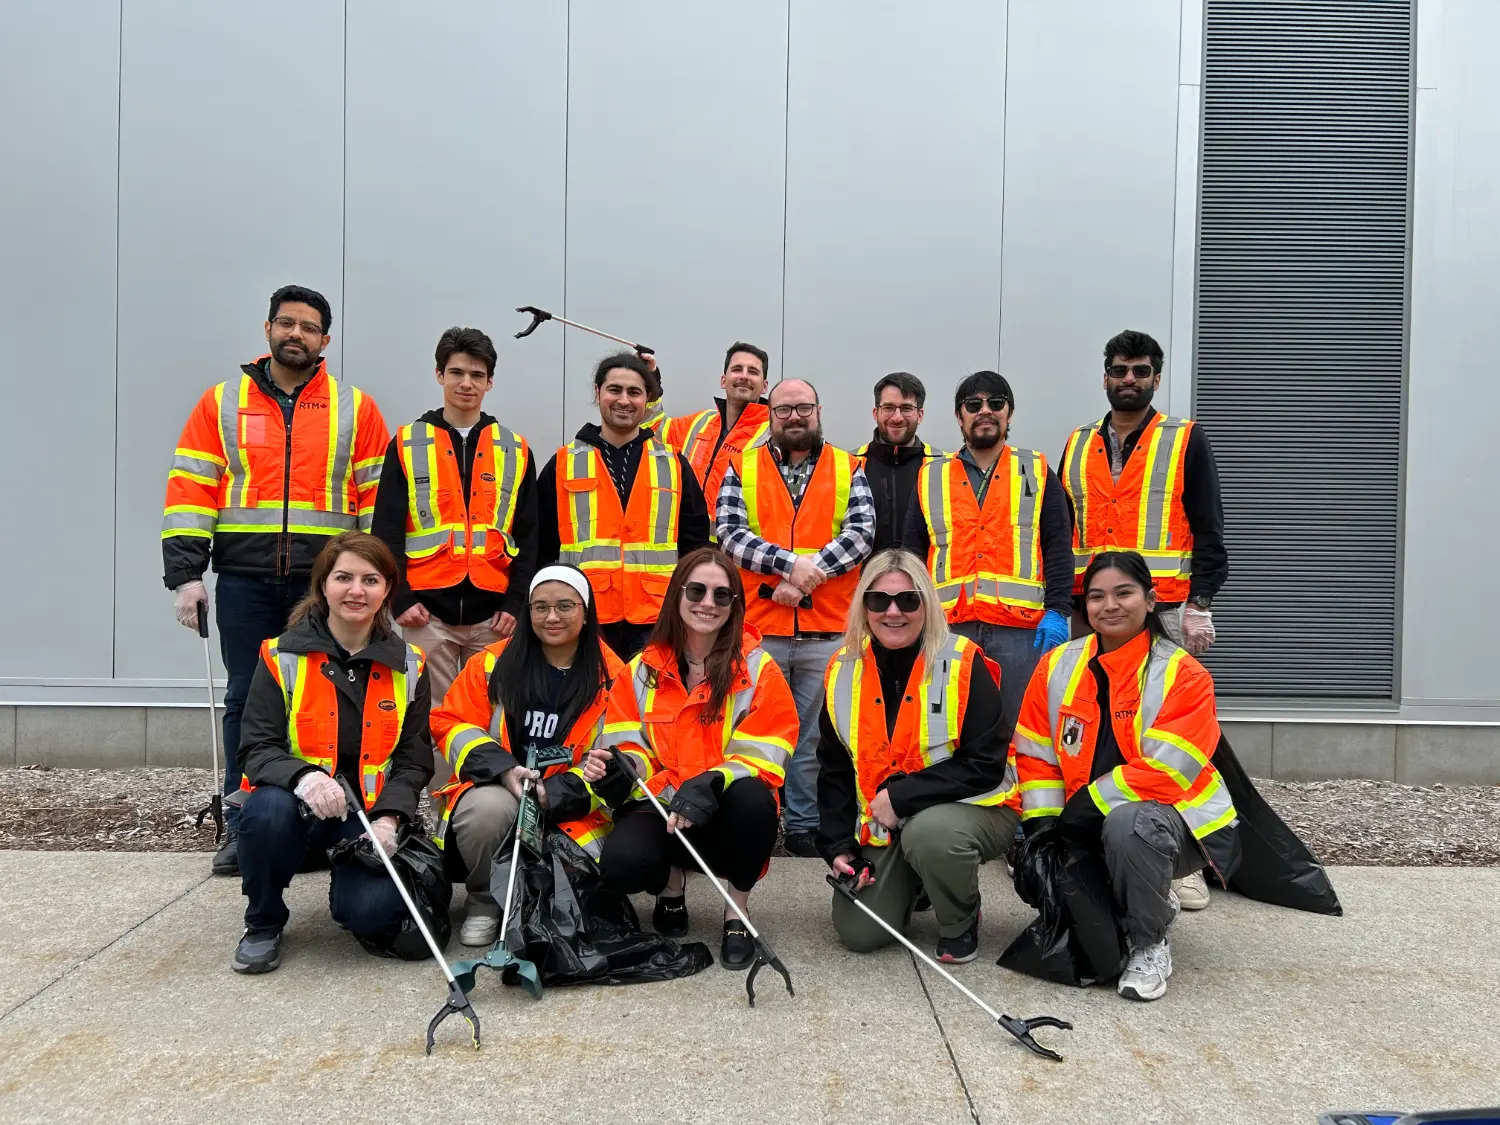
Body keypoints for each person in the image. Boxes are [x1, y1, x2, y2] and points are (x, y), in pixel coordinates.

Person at [162, 284, 390, 877]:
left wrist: (372, 581)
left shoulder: (354, 407)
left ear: (325, 341)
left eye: (308, 327)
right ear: (267, 330)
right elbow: (192, 489)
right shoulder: (222, 402)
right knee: (246, 697)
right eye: (286, 323)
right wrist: (186, 575)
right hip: (244, 579)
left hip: (327, 586)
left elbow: (374, 501)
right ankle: (246, 825)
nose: (296, 334)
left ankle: (343, 815)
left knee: (341, 695)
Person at [1011, 550, 1238, 1001]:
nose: (1109, 606)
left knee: (1127, 823)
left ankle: (1150, 943)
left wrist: (1089, 804)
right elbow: (1035, 754)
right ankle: (1142, 896)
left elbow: (1169, 772)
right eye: (1096, 596)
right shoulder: (1057, 665)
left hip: (1181, 828)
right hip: (1085, 821)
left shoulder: (1183, 675)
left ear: (1152, 600)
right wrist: (1043, 824)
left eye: (1124, 593)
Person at [1058, 329, 1229, 912]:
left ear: (1156, 376)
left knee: (1175, 739)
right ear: (1104, 376)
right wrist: (1064, 607)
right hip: (1093, 613)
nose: (1128, 379)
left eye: (1140, 370)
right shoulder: (1078, 443)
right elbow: (1062, 533)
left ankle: (1181, 858)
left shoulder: (1184, 438)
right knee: (1094, 727)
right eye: (1119, 370)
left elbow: (1209, 527)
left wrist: (1201, 603)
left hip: (1167, 610)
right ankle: (1087, 832)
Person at [230, 531, 433, 974]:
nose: (356, 591)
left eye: (370, 580)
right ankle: (263, 922)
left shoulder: (411, 664)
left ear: (386, 591)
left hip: (363, 819)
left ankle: (351, 884)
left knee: (373, 914)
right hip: (294, 811)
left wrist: (389, 820)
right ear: (323, 585)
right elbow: (257, 748)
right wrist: (306, 778)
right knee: (264, 812)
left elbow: (414, 760)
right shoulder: (279, 655)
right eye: (344, 577)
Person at [595, 547, 796, 970]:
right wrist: (622, 773)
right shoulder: (640, 670)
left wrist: (714, 780)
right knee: (622, 865)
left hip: (724, 805)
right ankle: (671, 886)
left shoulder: (758, 668)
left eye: (722, 595)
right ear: (676, 595)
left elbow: (769, 749)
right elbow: (627, 743)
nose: (708, 603)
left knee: (756, 803)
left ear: (734, 606)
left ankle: (735, 913)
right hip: (663, 802)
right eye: (697, 590)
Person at [817, 549, 1020, 964]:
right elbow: (834, 768)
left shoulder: (961, 661)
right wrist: (840, 847)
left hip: (974, 809)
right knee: (859, 933)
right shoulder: (843, 668)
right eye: (879, 600)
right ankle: (921, 882)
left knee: (931, 836)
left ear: (927, 604)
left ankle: (961, 920)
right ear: (864, 607)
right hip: (889, 821)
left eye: (909, 600)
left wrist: (902, 798)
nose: (894, 612)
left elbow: (985, 764)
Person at [716, 379, 875, 857]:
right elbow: (728, 533)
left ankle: (803, 825)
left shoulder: (849, 467)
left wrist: (806, 577)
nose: (794, 417)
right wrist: (789, 565)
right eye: (784, 409)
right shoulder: (740, 465)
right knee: (745, 731)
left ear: (818, 409)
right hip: (757, 632)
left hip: (826, 630)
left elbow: (862, 534)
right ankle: (751, 824)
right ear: (770, 414)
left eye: (803, 407)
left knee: (812, 739)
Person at [428, 564, 625, 946]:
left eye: (565, 606)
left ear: (586, 613)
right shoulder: (490, 663)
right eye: (540, 607)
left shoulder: (615, 677)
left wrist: (558, 792)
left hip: (576, 806)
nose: (552, 617)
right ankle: (484, 900)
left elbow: (618, 757)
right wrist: (503, 770)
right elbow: (451, 723)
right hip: (501, 789)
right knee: (486, 812)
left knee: (562, 912)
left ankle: (529, 901)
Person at [369, 326, 538, 708]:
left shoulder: (514, 448)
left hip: (494, 618)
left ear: (490, 382)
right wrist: (400, 599)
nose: (466, 383)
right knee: (429, 721)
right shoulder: (408, 442)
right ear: (439, 375)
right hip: (426, 617)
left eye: (477, 375)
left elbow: (530, 537)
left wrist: (515, 605)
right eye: (457, 372)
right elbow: (386, 532)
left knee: (493, 719)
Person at [902, 371, 1074, 728]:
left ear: (1009, 413)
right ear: (959, 415)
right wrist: (912, 617)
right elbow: (911, 555)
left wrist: (1058, 611)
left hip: (1022, 633)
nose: (985, 411)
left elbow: (1058, 545)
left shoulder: (1036, 470)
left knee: (1022, 732)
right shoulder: (931, 476)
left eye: (996, 403)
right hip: (948, 629)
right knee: (946, 729)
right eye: (973, 404)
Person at [538, 352, 711, 661]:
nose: (624, 400)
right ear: (598, 393)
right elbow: (540, 546)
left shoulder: (673, 464)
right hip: (583, 618)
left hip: (656, 621)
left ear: (647, 400)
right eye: (614, 390)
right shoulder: (564, 463)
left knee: (649, 707)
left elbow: (696, 546)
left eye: (634, 392)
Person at [662, 342, 772, 533]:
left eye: (753, 371)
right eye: (737, 369)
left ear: (764, 386)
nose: (744, 376)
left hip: (738, 552)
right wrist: (650, 379)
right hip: (690, 547)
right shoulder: (700, 422)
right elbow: (650, 427)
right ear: (723, 380)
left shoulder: (774, 434)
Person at [855, 372, 942, 555]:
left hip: (924, 581)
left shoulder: (942, 466)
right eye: (888, 408)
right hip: (863, 582)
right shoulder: (851, 465)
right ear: (875, 413)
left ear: (920, 415)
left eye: (906, 408)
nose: (897, 417)